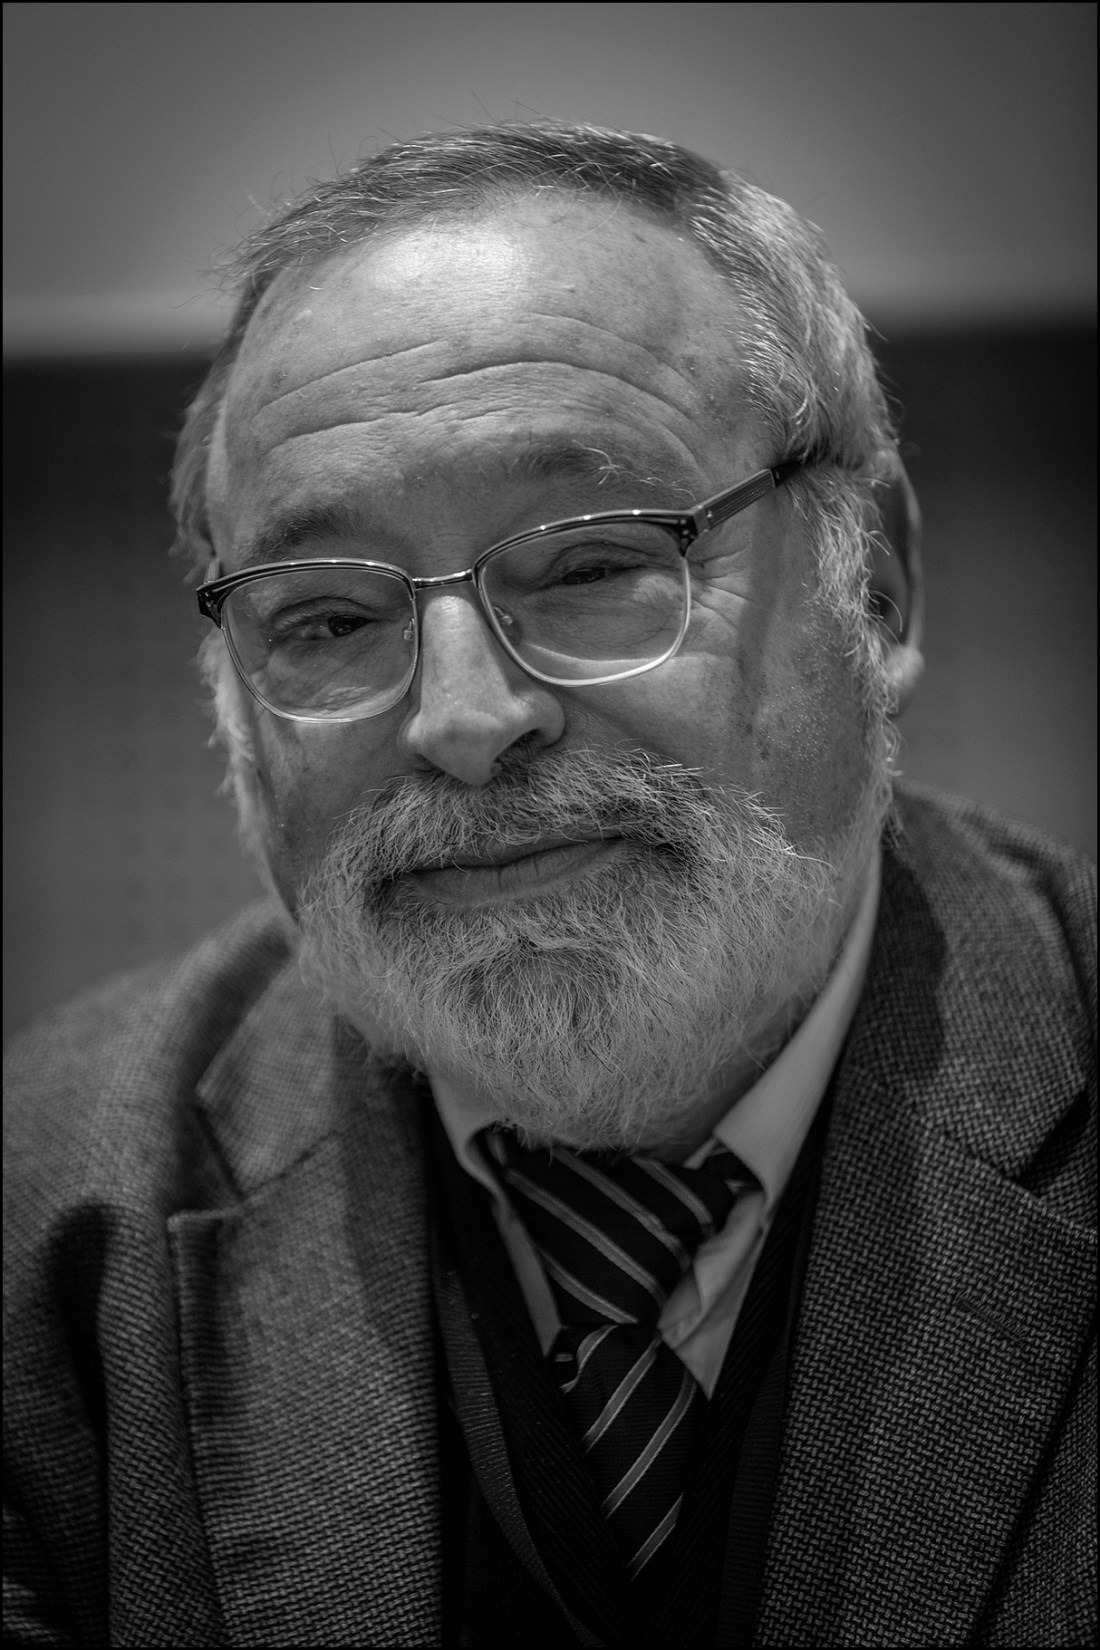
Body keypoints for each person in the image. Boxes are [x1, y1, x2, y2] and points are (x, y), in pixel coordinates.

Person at [4, 123, 1094, 1650]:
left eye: (591, 564)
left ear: (879, 586)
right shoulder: (39, 1224)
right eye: (324, 618)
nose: (461, 720)